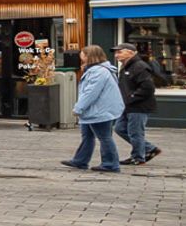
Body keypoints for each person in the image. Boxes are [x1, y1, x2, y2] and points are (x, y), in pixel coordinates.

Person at [63, 44, 125, 172]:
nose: (80, 55)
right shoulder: (96, 70)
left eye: (83, 53)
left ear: (89, 56)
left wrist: (79, 108)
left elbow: (91, 92)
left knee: (104, 137)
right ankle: (80, 160)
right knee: (88, 136)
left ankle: (110, 164)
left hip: (99, 111)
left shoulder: (98, 72)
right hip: (95, 110)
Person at [114, 43, 160, 164]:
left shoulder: (139, 66)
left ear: (131, 52)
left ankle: (138, 157)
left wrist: (132, 97)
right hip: (128, 105)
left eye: (120, 52)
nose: (116, 55)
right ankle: (149, 148)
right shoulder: (126, 67)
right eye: (116, 52)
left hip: (139, 106)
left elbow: (148, 87)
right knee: (119, 128)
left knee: (135, 132)